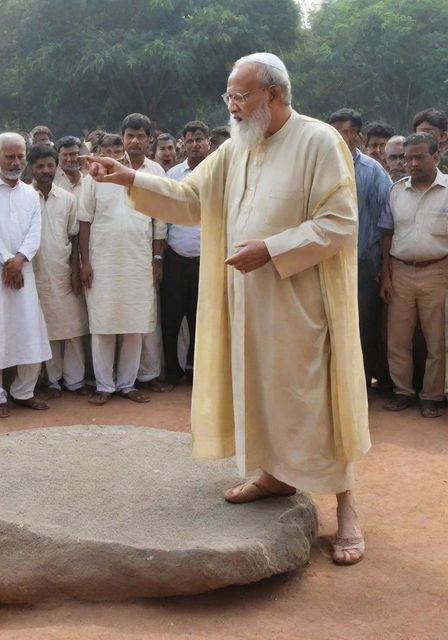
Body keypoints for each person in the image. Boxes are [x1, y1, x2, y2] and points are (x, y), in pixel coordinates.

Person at [85, 52, 370, 566]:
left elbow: (340, 222)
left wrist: (273, 248)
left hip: (301, 301)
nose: (232, 108)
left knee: (314, 401)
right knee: (258, 389)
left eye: (240, 97)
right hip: (246, 300)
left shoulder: (318, 140)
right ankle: (272, 474)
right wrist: (128, 179)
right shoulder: (236, 147)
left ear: (274, 95)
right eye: (229, 97)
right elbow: (190, 197)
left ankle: (347, 509)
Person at [79, 113, 167, 405]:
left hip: (139, 259)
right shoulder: (94, 174)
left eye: (141, 136)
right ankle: (104, 385)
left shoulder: (152, 172)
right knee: (103, 323)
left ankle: (127, 384)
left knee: (134, 323)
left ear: (148, 139)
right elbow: (85, 220)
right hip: (103, 260)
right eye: (129, 136)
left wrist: (157, 258)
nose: (133, 142)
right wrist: (86, 262)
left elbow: (160, 220)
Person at [0, 133, 51, 417]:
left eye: (20, 157)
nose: (16, 162)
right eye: (10, 157)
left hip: (23, 269)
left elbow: (34, 232)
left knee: (28, 329)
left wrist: (19, 260)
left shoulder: (30, 193)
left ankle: (23, 391)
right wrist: (7, 261)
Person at [379, 132, 448, 418]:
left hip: (438, 272)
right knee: (398, 338)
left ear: (436, 156)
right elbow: (387, 234)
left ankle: (432, 395)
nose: (412, 164)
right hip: (401, 272)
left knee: (438, 340)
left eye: (420, 157)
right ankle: (402, 391)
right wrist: (385, 273)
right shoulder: (396, 191)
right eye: (408, 158)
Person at [328, 108, 392, 393]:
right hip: (326, 261)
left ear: (358, 135)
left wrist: (383, 269)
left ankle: (360, 389)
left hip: (362, 263)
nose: (339, 136)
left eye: (344, 130)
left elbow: (387, 223)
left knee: (362, 327)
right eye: (334, 130)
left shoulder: (373, 171)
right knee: (328, 326)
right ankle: (334, 387)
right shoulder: (322, 166)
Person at [29, 144, 89, 397]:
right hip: (35, 273)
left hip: (64, 270)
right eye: (40, 166)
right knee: (48, 330)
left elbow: (74, 238)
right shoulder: (23, 197)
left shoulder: (68, 199)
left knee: (73, 329)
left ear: (57, 167)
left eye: (50, 165)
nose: (46, 170)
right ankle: (53, 381)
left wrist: (76, 271)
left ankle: (75, 381)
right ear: (31, 168)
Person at [160, 121, 210, 386]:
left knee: (201, 319)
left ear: (208, 142)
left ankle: (197, 374)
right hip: (176, 258)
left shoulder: (219, 172)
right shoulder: (173, 175)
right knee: (171, 318)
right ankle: (171, 372)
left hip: (209, 260)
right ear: (183, 143)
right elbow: (163, 218)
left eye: (199, 139)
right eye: (189, 140)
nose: (194, 145)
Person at [412, 108, 448, 173]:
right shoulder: (408, 161)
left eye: (429, 133)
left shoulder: (445, 164)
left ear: (443, 136)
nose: (424, 138)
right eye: (421, 134)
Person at [54, 136, 85, 201]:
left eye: (73, 154)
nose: (69, 159)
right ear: (58, 156)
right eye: (65, 155)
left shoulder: (91, 177)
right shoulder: (50, 180)